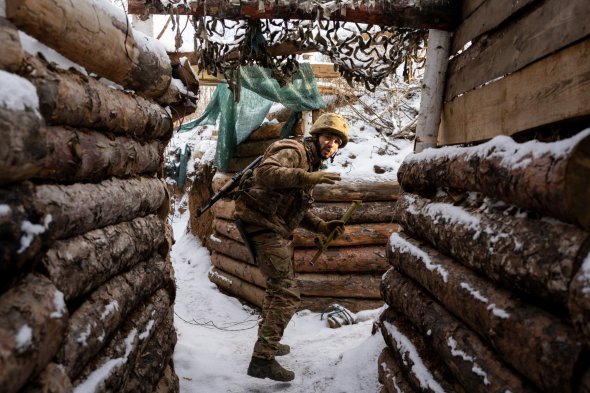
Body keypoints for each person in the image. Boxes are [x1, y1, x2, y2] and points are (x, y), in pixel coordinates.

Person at [234, 112, 350, 382]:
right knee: (287, 291)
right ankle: (262, 359)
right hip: (260, 224)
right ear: (316, 136)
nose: (331, 144)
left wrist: (321, 226)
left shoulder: (311, 163)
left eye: (336, 142)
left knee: (278, 286)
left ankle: (268, 343)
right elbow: (265, 174)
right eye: (327, 137)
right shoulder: (294, 150)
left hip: (271, 225)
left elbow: (297, 208)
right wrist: (307, 178)